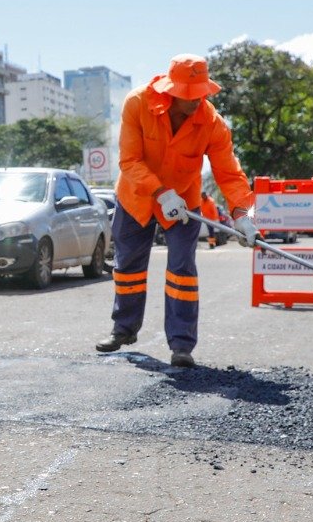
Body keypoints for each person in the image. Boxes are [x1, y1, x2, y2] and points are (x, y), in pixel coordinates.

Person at [95, 55, 258, 368]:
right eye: (189, 94)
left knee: (182, 268)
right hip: (137, 196)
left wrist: (243, 215)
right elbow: (129, 160)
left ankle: (181, 345)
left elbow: (230, 174)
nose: (197, 101)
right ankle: (123, 329)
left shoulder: (212, 122)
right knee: (128, 266)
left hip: (184, 202)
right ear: (171, 90)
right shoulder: (137, 103)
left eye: (201, 94)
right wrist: (159, 192)